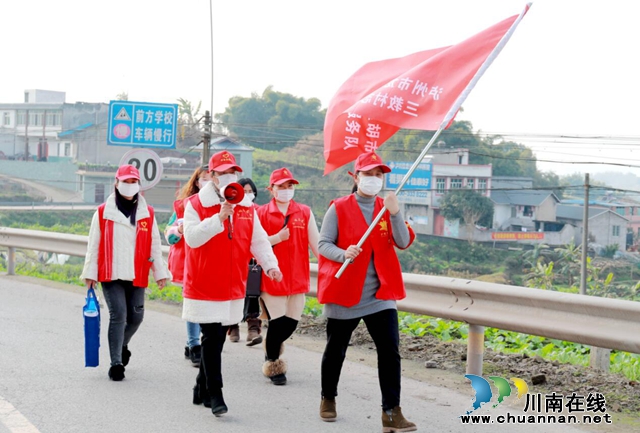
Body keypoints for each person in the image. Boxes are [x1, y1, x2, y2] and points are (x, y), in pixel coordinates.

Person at [317, 152, 417, 431]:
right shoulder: (338, 208)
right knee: (335, 349)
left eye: (379, 175)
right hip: (345, 291)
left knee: (390, 351)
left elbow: (403, 240)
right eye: (368, 174)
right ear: (355, 176)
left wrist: (396, 213)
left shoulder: (387, 207)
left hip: (380, 294)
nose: (374, 180)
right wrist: (342, 253)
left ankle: (391, 411)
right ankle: (328, 397)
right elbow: (323, 244)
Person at [182, 150, 282, 417]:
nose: (229, 177)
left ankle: (200, 385)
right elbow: (191, 238)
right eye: (223, 173)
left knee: (217, 339)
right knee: (212, 337)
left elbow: (258, 240)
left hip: (233, 284)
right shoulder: (195, 204)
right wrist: (218, 218)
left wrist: (271, 266)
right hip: (203, 283)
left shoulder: (247, 206)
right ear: (212, 176)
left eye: (233, 172)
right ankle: (216, 393)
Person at [81, 164, 170, 381]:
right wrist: (90, 273)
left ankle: (122, 344)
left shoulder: (147, 213)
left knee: (137, 317)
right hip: (111, 272)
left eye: (133, 182)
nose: (130, 186)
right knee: (119, 314)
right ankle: (116, 363)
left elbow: (154, 244)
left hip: (137, 272)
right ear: (117, 183)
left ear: (139, 185)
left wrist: (160, 272)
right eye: (126, 182)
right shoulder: (103, 212)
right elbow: (94, 244)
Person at [257, 167, 319, 385]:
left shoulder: (304, 212)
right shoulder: (261, 213)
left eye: (289, 186)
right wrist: (277, 238)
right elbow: (254, 245)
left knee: (291, 324)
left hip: (298, 277)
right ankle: (274, 364)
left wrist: (330, 265)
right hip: (272, 277)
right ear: (271, 189)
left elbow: (316, 243)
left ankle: (270, 346)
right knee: (278, 322)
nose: (285, 190)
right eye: (280, 186)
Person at [164, 165, 211, 366]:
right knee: (193, 302)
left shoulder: (224, 205)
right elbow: (169, 234)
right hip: (188, 262)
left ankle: (192, 342)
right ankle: (194, 345)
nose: (208, 182)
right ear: (197, 182)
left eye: (212, 178)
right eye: (204, 179)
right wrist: (179, 230)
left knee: (206, 304)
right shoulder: (183, 206)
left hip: (211, 262)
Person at [226, 177, 264, 346]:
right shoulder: (231, 209)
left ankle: (253, 327)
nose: (248, 195)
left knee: (252, 293)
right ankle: (232, 326)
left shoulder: (259, 211)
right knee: (234, 292)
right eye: (245, 191)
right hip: (234, 259)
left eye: (251, 192)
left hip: (253, 260)